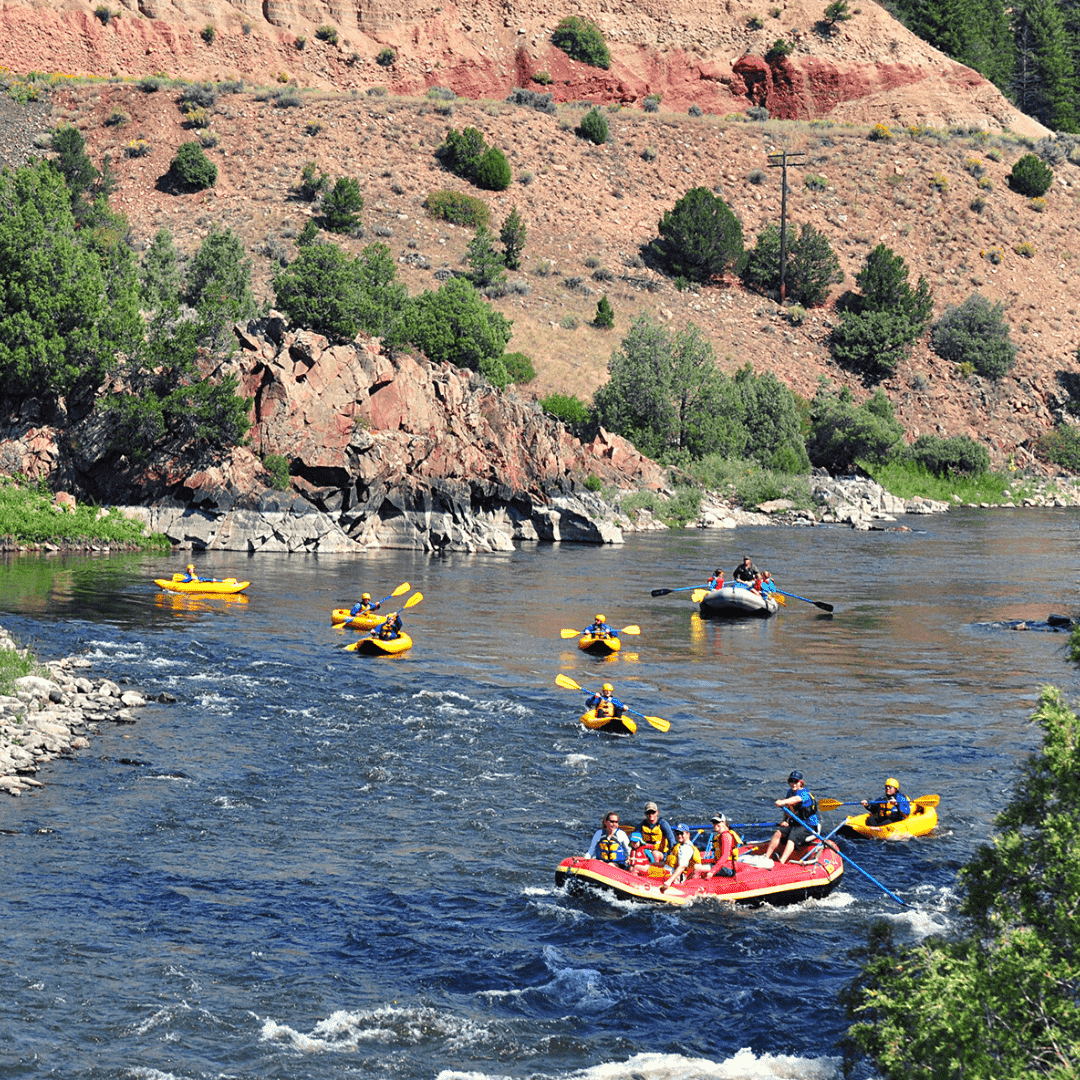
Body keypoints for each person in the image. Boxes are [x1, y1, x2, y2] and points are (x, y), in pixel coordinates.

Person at [763, 770, 820, 867]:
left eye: (795, 781)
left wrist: (782, 801)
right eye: (791, 781)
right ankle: (766, 858)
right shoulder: (789, 792)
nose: (793, 784)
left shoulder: (805, 793)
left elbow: (795, 799)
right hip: (796, 822)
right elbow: (788, 808)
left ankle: (781, 862)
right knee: (778, 832)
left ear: (800, 782)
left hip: (808, 825)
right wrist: (784, 820)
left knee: (792, 837)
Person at [660, 823, 702, 891]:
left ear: (688, 834)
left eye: (681, 833)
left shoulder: (686, 848)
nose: (679, 836)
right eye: (677, 833)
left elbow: (682, 867)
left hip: (672, 877)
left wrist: (669, 881)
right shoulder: (680, 846)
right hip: (666, 872)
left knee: (640, 868)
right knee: (644, 866)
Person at [705, 813, 738, 879]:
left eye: (717, 822)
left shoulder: (725, 836)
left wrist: (712, 871)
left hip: (728, 868)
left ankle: (691, 885)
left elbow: (725, 856)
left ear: (724, 822)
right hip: (723, 866)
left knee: (697, 867)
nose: (715, 825)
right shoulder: (720, 836)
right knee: (697, 864)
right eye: (714, 822)